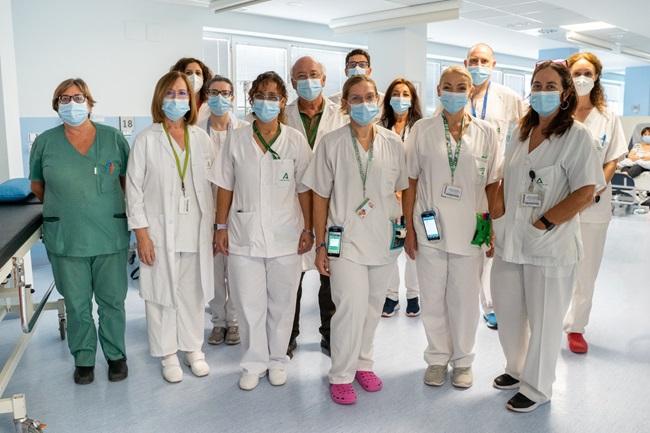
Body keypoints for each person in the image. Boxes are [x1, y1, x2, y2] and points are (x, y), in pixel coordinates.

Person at [490, 60, 604, 412]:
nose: (541, 92)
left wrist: (545, 223)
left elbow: (587, 190)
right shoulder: (520, 131)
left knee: (545, 319)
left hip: (550, 245)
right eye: (537, 85)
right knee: (508, 313)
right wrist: (498, 222)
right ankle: (517, 368)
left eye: (550, 86)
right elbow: (506, 179)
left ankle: (537, 387)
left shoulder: (577, 136)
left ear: (566, 92)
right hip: (511, 240)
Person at [303, 75, 408, 405]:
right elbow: (320, 195)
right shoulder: (332, 142)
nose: (364, 104)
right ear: (345, 104)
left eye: (370, 97)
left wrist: (400, 228)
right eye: (356, 98)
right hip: (343, 240)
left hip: (382, 238)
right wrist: (321, 243)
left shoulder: (392, 142)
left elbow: (401, 189)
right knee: (349, 306)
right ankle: (341, 373)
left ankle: (363, 363)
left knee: (373, 306)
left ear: (379, 100)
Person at [214, 71, 313, 391]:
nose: (266, 101)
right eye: (260, 94)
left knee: (283, 303)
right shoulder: (237, 137)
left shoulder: (295, 139)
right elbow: (225, 186)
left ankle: (278, 359)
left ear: (283, 102)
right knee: (248, 303)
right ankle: (253, 362)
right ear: (251, 99)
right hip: (244, 234)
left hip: (287, 234)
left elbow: (304, 189)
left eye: (273, 96)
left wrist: (308, 228)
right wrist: (221, 226)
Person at [402, 66, 500, 389]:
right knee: (431, 298)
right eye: (448, 86)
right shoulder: (422, 130)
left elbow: (492, 186)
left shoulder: (487, 133)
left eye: (461, 86)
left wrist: (491, 230)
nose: (454, 92)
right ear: (438, 90)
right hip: (431, 228)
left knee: (466, 299)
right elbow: (410, 183)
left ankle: (463, 361)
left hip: (471, 231)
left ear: (471, 91)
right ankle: (436, 358)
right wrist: (410, 230)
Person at [29, 78, 130, 385]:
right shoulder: (45, 142)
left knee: (112, 301)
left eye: (77, 97)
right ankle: (84, 358)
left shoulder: (114, 139)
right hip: (67, 237)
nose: (71, 103)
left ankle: (116, 356)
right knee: (76, 304)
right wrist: (68, 207)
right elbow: (37, 185)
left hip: (109, 234)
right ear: (56, 105)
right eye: (64, 98)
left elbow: (127, 183)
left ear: (89, 101)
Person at [126, 71, 216, 383]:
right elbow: (133, 190)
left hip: (195, 230)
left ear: (190, 100)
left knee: (191, 293)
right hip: (159, 232)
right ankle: (167, 354)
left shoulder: (201, 139)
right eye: (170, 94)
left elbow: (214, 186)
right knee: (161, 294)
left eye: (182, 94)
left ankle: (193, 349)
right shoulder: (146, 139)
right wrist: (141, 234)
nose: (176, 99)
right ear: (159, 99)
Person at [563, 52, 627, 354]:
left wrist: (592, 190)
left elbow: (613, 158)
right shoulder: (558, 113)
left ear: (597, 76)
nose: (582, 79)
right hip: (558, 205)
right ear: (568, 75)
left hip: (594, 205)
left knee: (586, 270)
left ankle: (576, 327)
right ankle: (551, 320)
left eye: (588, 73)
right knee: (557, 267)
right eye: (577, 73)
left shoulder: (608, 117)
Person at [285, 56, 349, 358]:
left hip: (332, 205)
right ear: (292, 81)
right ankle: (288, 335)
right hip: (292, 207)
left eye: (313, 75)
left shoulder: (342, 116)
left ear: (324, 79)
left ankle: (330, 334)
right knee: (290, 277)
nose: (307, 81)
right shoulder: (283, 116)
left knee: (330, 273)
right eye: (300, 76)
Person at [464, 43, 527, 330]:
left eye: (484, 61)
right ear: (466, 63)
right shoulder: (456, 94)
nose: (478, 66)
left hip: (495, 181)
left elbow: (528, 125)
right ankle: (467, 297)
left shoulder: (507, 97)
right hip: (462, 181)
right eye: (474, 60)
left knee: (489, 241)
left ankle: (490, 305)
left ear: (494, 64)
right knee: (466, 241)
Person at [202, 75, 249, 347]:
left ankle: (234, 321)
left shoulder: (244, 130)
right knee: (214, 272)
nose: (220, 97)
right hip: (207, 213)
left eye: (225, 93)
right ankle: (217, 321)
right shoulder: (197, 132)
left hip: (239, 213)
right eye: (214, 92)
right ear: (207, 96)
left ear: (233, 97)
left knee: (237, 271)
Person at [379, 77, 423, 318]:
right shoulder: (379, 127)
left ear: (413, 99)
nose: (401, 98)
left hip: (413, 196)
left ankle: (413, 295)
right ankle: (391, 295)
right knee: (389, 248)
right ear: (388, 98)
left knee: (412, 246)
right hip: (387, 197)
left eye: (406, 94)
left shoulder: (420, 127)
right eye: (396, 93)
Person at [171, 57, 213, 123]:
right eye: (188, 73)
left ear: (204, 78)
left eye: (198, 73)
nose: (194, 77)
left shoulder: (212, 104)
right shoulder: (171, 104)